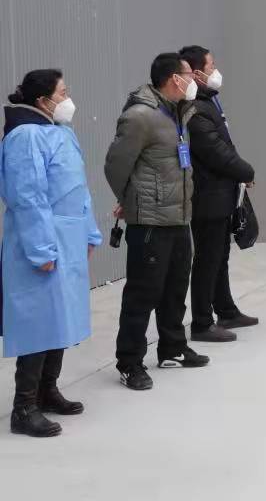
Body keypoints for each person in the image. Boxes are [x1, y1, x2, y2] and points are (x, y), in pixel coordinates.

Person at [1, 70, 102, 437]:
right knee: (39, 322)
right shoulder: (25, 136)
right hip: (42, 240)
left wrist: (89, 231)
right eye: (62, 92)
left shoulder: (60, 131)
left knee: (60, 317)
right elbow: (27, 196)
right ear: (42, 100)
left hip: (68, 238)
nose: (67, 99)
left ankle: (48, 389)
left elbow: (78, 187)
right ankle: (24, 406)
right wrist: (41, 248)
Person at [105, 53, 208, 391]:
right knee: (143, 293)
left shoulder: (178, 111)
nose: (193, 79)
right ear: (172, 78)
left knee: (176, 287)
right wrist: (130, 200)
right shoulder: (140, 116)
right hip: (150, 219)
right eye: (188, 74)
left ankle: (173, 348)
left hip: (179, 215)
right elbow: (115, 165)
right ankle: (129, 362)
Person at [179, 46, 257, 343]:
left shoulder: (208, 101)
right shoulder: (195, 109)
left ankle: (226, 310)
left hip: (221, 193)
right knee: (207, 259)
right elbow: (215, 151)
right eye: (211, 66)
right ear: (197, 73)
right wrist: (245, 170)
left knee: (220, 256)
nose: (215, 70)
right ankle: (202, 322)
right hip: (207, 196)